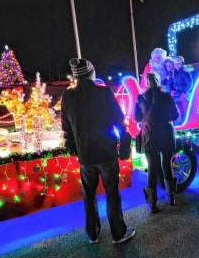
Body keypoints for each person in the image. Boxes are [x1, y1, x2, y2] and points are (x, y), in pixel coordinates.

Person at [61, 57, 135, 245]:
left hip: (85, 154)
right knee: (112, 192)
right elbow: (119, 120)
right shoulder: (103, 93)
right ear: (91, 74)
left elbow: (66, 127)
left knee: (89, 194)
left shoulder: (68, 96)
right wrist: (124, 143)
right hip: (106, 152)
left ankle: (92, 233)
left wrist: (73, 146)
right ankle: (118, 233)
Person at [134, 72, 179, 212]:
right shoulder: (166, 96)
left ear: (146, 83)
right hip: (166, 134)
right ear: (158, 81)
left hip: (149, 136)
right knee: (167, 165)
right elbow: (175, 115)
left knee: (152, 168)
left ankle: (152, 204)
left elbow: (136, 118)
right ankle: (171, 198)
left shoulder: (140, 98)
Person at [172, 56, 193, 124]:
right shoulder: (175, 72)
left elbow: (190, 84)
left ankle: (184, 123)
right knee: (178, 110)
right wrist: (174, 90)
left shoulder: (184, 72)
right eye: (175, 63)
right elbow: (175, 84)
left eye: (178, 63)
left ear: (181, 63)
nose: (177, 64)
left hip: (182, 96)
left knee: (183, 110)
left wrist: (184, 92)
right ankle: (179, 123)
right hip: (177, 95)